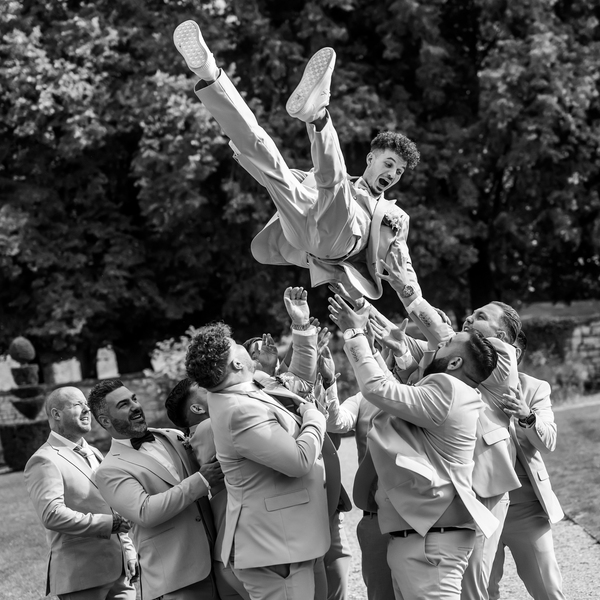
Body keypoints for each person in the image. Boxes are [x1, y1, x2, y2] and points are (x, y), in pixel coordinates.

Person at [173, 19, 420, 300]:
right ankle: (210, 74)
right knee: (269, 160)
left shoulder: (396, 217)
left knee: (334, 183)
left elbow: (405, 267)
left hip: (338, 245)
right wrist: (246, 149)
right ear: (370, 158)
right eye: (389, 164)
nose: (393, 174)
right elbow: (270, 173)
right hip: (300, 233)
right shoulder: (314, 179)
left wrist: (417, 301)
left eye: (399, 171)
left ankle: (318, 116)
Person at [364, 254, 524, 600]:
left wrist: (408, 291)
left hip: (483, 487)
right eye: (472, 313)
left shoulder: (501, 358)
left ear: (501, 334)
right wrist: (356, 298)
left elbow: (444, 335)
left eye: (481, 317)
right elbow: (407, 348)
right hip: (448, 487)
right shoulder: (448, 353)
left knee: (475, 585)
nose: (469, 318)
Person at [328, 293, 500, 600]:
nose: (436, 345)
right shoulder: (446, 390)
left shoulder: (448, 389)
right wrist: (380, 351)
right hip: (421, 539)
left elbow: (378, 389)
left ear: (455, 362)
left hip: (432, 544)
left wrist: (354, 334)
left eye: (447, 344)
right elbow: (396, 397)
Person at [185, 314, 330, 600]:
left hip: (280, 543)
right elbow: (299, 461)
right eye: (237, 345)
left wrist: (301, 327)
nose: (244, 347)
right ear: (237, 364)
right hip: (275, 548)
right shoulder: (239, 410)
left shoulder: (235, 391)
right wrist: (315, 415)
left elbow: (292, 383)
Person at [89, 379, 223, 600]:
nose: (135, 406)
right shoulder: (109, 470)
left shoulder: (172, 435)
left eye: (134, 399)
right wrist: (201, 480)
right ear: (105, 420)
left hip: (220, 561)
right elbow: (146, 512)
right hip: (176, 579)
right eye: (123, 404)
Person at [24, 386, 137, 600]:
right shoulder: (44, 460)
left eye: (86, 404)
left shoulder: (94, 452)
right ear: (57, 414)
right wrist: (108, 524)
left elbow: (112, 506)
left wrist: (128, 551)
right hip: (82, 577)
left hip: (121, 574)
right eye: (78, 404)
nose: (87, 409)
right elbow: (52, 514)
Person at [487, 331, 566, 600]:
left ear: (514, 353)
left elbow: (548, 442)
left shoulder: (535, 387)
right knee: (480, 591)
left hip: (526, 509)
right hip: (480, 508)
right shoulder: (463, 384)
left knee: (547, 589)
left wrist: (526, 416)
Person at [165, 378, 250, 600]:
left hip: (229, 548)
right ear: (197, 408)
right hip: (241, 547)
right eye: (205, 389)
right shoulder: (210, 426)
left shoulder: (202, 432)